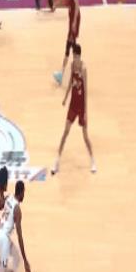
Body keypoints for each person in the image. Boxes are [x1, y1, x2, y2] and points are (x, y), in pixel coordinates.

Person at [52, 44, 96, 175]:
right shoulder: (72, 65)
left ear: (79, 56)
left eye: (75, 56)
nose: (74, 58)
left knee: (85, 136)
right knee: (65, 132)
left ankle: (93, 161)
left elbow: (86, 91)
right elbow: (71, 82)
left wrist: (86, 112)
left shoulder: (83, 69)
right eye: (73, 56)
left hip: (81, 106)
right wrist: (65, 98)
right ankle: (57, 162)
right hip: (73, 105)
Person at [53, 0, 79, 85]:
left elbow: (77, 5)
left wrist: (74, 22)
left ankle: (64, 74)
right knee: (71, 46)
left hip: (74, 18)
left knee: (69, 46)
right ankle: (71, 73)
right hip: (71, 18)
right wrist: (56, 4)